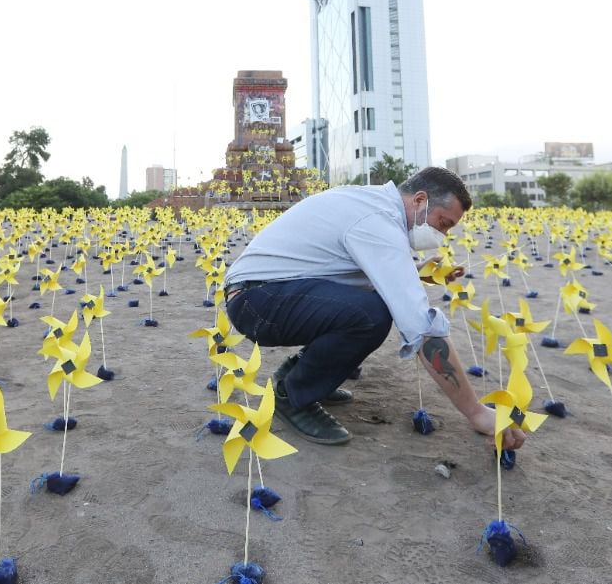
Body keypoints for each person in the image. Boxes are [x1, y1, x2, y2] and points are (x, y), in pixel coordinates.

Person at [223, 166, 526, 451]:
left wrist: (417, 272)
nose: (442, 236)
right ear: (420, 200)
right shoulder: (377, 221)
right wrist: (477, 413)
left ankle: (299, 374)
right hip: (256, 302)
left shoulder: (373, 204)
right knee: (371, 315)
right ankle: (294, 396)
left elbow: (344, 266)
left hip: (264, 292)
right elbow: (420, 326)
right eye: (443, 224)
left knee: (370, 306)